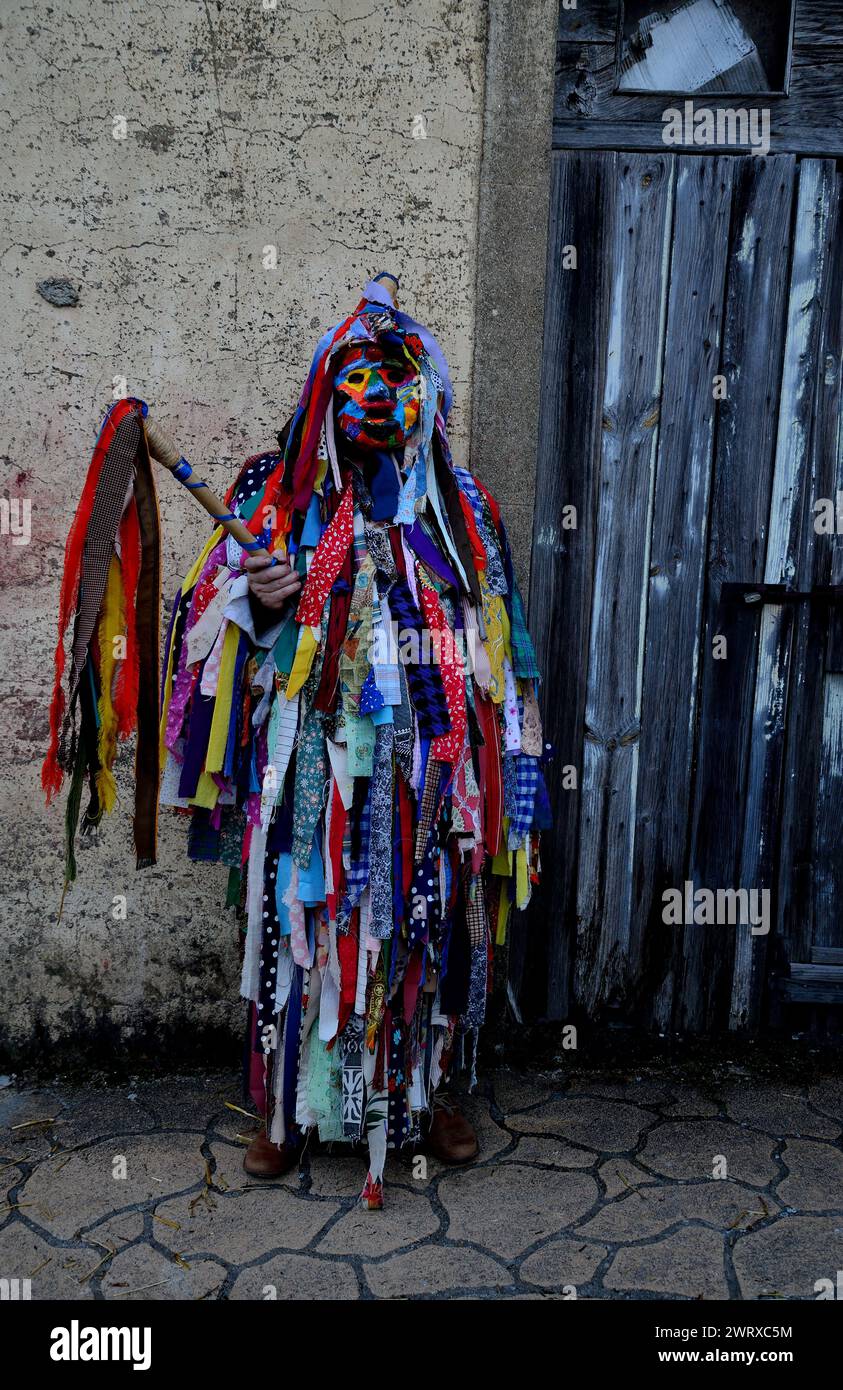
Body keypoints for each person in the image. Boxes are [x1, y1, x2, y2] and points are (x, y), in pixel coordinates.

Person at [158, 274, 550, 1207]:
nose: (378, 399)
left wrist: (497, 753)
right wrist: (254, 596)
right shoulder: (273, 491)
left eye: (398, 381)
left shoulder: (464, 506)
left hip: (429, 766)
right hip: (313, 761)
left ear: (428, 396)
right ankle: (283, 1110)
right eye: (358, 380)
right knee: (305, 920)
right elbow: (202, 623)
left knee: (426, 922)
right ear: (325, 393)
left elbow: (497, 638)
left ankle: (426, 1095)